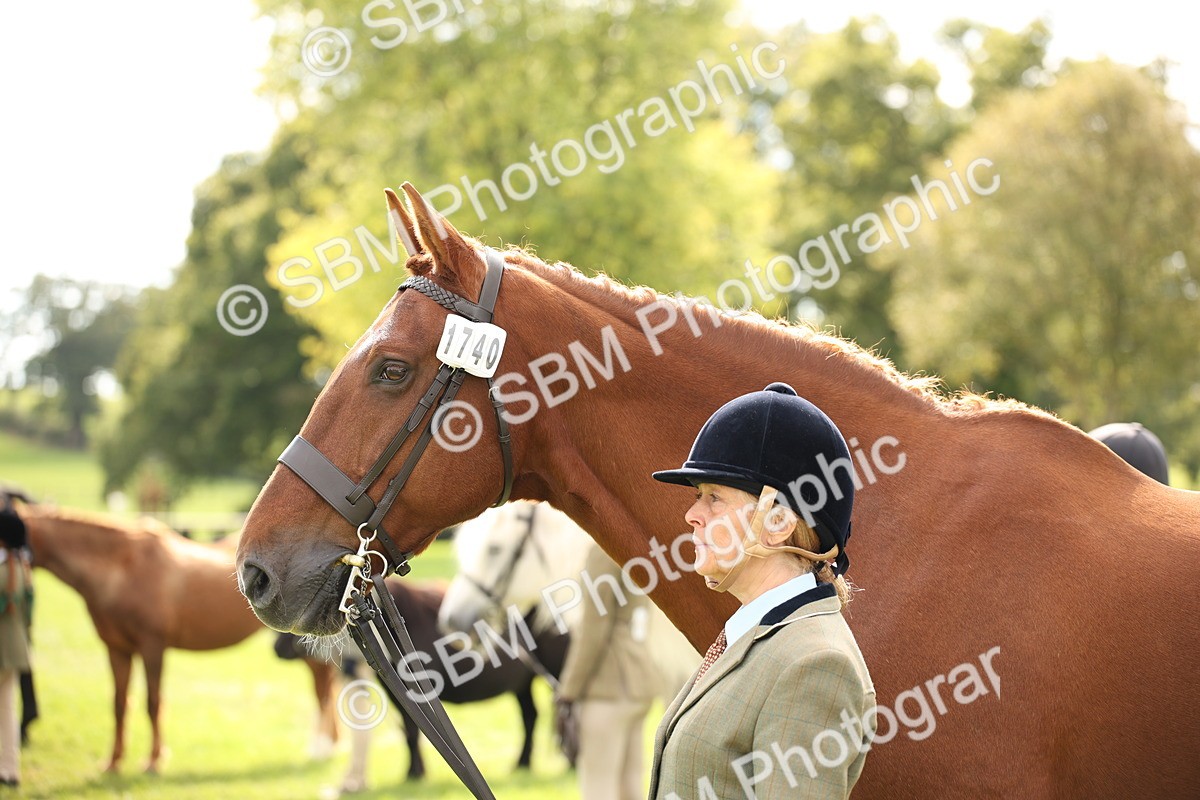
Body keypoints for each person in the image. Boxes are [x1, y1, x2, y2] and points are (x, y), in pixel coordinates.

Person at [647, 382, 875, 800]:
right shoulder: (761, 635)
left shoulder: (815, 665)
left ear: (778, 523)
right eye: (699, 496)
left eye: (714, 497)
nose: (692, 514)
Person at [555, 543, 661, 800]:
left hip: (608, 683)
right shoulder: (637, 546)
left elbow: (595, 627)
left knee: (598, 787)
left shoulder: (604, 551)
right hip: (638, 677)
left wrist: (568, 690)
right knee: (630, 785)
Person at [0, 494, 33, 787]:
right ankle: (8, 768)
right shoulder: (22, 567)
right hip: (14, 649)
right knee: (7, 707)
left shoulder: (2, 571)